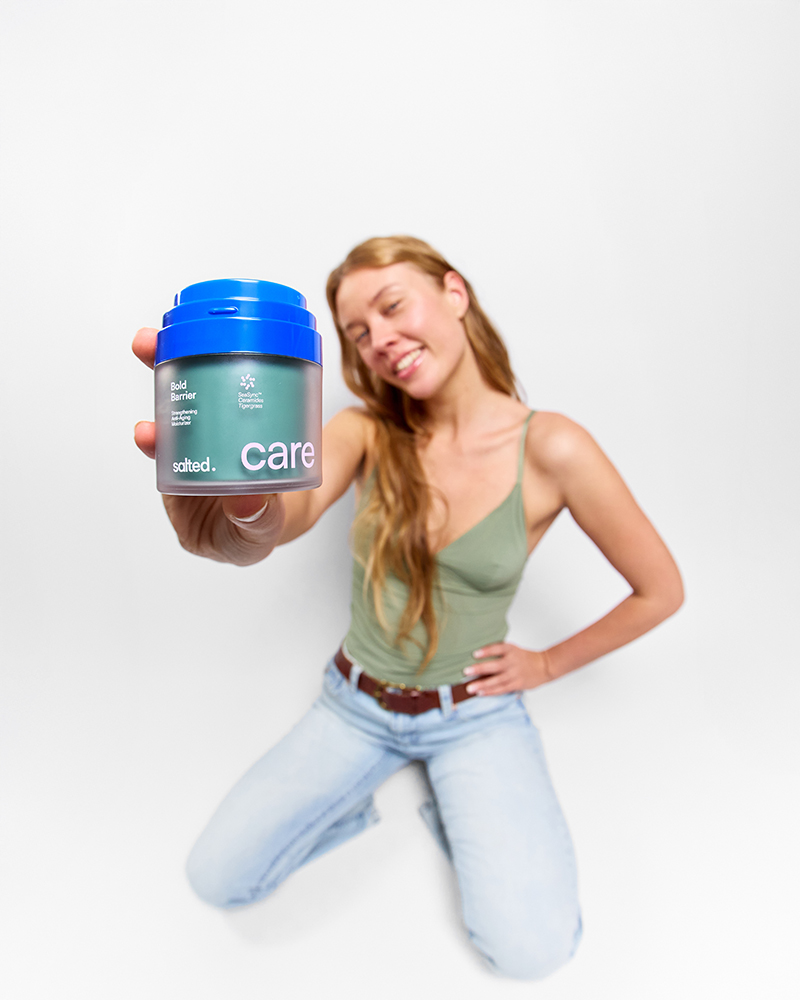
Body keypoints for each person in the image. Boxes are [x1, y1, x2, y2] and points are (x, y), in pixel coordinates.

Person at [132, 235, 683, 980]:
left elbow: (661, 590)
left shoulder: (553, 447)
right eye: (358, 332)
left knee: (532, 954)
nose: (379, 339)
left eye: (392, 306)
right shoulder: (366, 431)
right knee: (216, 878)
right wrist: (241, 521)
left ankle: (459, 809)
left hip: (475, 716)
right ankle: (367, 805)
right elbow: (288, 513)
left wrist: (548, 663)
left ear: (455, 292)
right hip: (355, 703)